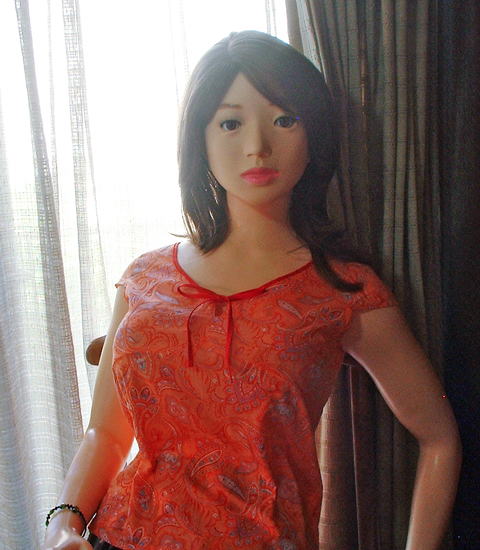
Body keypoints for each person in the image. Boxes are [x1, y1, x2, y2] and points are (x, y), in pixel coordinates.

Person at [42, 30, 462, 550]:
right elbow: (105, 435)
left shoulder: (344, 292)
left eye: (284, 120)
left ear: (314, 135)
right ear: (201, 138)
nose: (257, 145)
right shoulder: (145, 279)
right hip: (117, 537)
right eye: (231, 122)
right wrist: (63, 526)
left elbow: (439, 438)